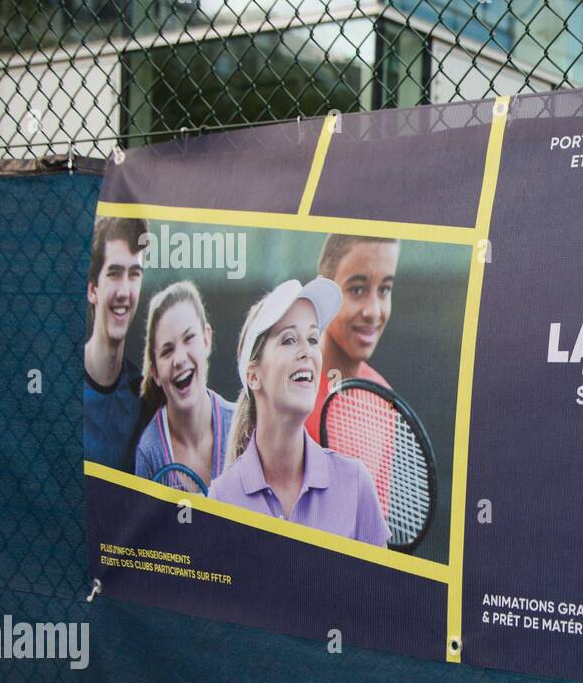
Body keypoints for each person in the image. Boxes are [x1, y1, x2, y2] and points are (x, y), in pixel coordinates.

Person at [210, 278, 389, 547]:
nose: (307, 351)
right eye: (289, 339)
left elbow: (380, 589)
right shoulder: (221, 498)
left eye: (313, 338)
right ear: (253, 376)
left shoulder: (354, 482)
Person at [133, 281, 235, 490]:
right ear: (155, 373)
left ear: (206, 339)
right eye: (167, 351)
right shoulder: (149, 452)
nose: (179, 359)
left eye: (189, 338)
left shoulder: (241, 426)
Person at [305, 234, 399, 444]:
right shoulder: (284, 395)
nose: (374, 312)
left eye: (384, 289)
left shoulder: (384, 400)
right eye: (357, 289)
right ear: (323, 294)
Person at [84, 217, 150, 472]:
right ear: (93, 289)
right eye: (114, 274)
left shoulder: (145, 398)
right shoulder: (61, 387)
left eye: (134, 275)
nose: (124, 291)